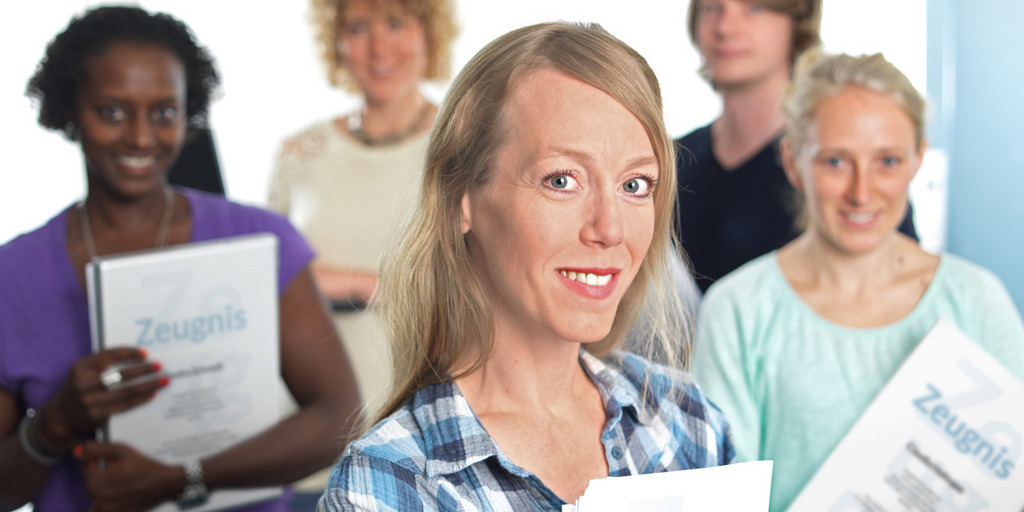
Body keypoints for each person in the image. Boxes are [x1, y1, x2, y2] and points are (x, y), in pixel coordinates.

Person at [318, 22, 736, 511]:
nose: (610, 229)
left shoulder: (689, 423)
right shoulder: (388, 484)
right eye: (561, 180)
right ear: (463, 199)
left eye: (635, 185)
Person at [0, 7, 360, 512]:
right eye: (112, 112)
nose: (142, 137)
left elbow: (339, 417)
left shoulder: (259, 239)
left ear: (187, 113)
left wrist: (181, 478)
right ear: (68, 111)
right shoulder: (11, 276)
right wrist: (55, 423)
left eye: (164, 113)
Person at [692, 50, 1024, 511]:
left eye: (887, 161)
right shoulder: (738, 310)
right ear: (792, 161)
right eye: (835, 162)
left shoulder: (976, 301)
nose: (862, 192)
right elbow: (722, 500)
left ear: (917, 159)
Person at [267, 0, 457, 413]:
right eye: (357, 28)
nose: (378, 47)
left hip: (427, 413)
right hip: (307, 422)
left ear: (429, 33)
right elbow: (265, 275)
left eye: (395, 23)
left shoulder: (463, 146)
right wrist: (364, 285)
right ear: (335, 43)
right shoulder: (300, 155)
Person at [676, 0, 918, 293]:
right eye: (712, 8)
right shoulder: (667, 163)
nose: (725, 28)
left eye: (754, 9)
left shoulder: (837, 174)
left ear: (798, 23)